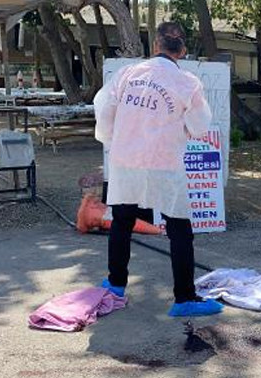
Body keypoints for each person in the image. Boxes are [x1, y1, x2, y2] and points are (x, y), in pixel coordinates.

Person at [93, 22, 223, 317]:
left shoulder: (127, 74)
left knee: (122, 221)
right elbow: (200, 126)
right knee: (179, 228)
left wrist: (115, 138)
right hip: (164, 162)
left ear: (155, 46)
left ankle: (116, 285)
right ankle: (184, 298)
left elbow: (104, 107)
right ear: (183, 50)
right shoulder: (188, 82)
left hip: (126, 160)